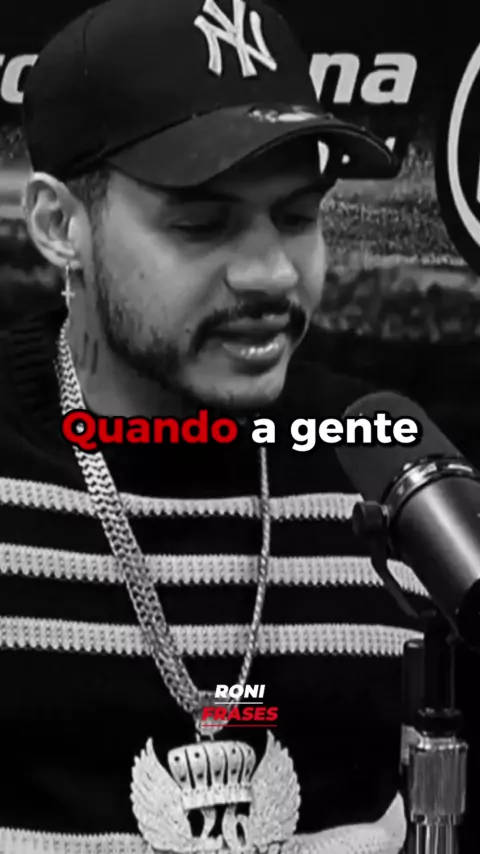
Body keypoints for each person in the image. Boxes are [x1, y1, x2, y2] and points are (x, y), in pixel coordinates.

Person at [0, 0, 477, 852]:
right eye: (202, 224)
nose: (270, 274)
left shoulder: (387, 463)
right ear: (58, 225)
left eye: (296, 217)